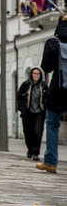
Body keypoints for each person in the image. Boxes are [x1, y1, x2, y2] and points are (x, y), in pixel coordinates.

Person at [36, 14, 67, 173]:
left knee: (52, 124)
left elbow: (46, 67)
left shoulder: (53, 42)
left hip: (59, 88)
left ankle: (51, 162)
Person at [16, 67, 48, 161]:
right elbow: (19, 98)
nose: (36, 75)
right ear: (31, 74)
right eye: (34, 73)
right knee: (28, 133)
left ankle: (35, 152)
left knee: (37, 132)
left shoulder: (44, 86)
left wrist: (45, 107)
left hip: (39, 113)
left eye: (38, 74)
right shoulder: (25, 84)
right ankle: (30, 149)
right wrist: (21, 108)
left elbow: (47, 98)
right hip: (27, 113)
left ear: (40, 75)